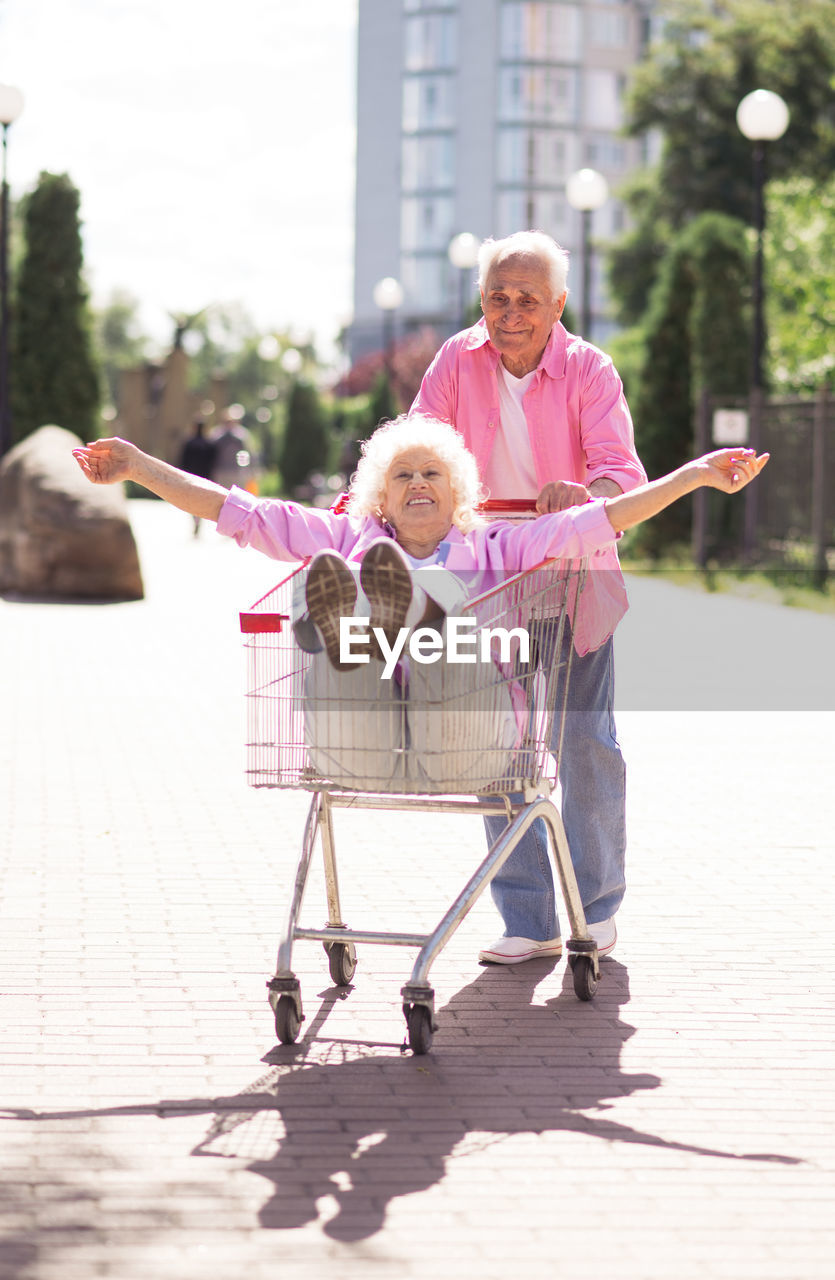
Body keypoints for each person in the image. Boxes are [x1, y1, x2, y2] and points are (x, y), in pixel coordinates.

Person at [73, 416, 767, 842]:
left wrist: (694, 475)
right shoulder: (344, 536)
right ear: (380, 493)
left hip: (469, 744)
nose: (416, 483)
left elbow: (598, 522)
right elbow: (238, 512)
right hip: (365, 745)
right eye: (401, 474)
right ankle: (348, 616)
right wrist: (136, 467)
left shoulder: (496, 548)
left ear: (458, 490)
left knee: (442, 631)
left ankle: (399, 609)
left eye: (431, 471)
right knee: (341, 635)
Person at [411, 229, 646, 965]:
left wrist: (585, 494)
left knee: (582, 744)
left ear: (558, 305)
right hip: (491, 581)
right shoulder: (457, 359)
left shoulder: (588, 370)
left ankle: (595, 906)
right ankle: (528, 918)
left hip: (575, 578)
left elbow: (621, 473)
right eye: (495, 297)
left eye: (527, 299)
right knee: (496, 748)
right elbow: (420, 444)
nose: (508, 312)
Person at [178, 417, 218, 536]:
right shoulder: (209, 443)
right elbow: (213, 461)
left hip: (191, 475)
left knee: (191, 499)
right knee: (201, 499)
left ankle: (195, 521)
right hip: (204, 476)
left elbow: (183, 460)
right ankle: (198, 520)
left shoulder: (189, 443)